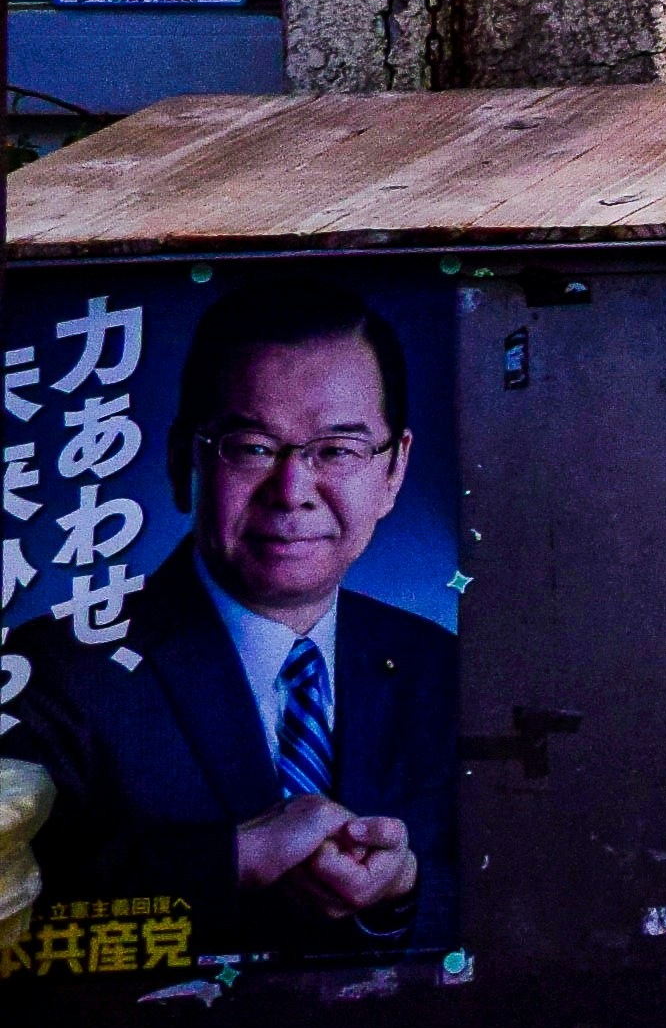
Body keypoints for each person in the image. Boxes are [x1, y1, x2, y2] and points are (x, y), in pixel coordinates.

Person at [18, 267, 458, 957]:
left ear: (392, 472)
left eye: (337, 451)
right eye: (251, 447)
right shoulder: (52, 671)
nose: (292, 492)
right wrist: (235, 859)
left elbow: (526, 894)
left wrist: (405, 889)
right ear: (179, 461)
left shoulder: (446, 668)